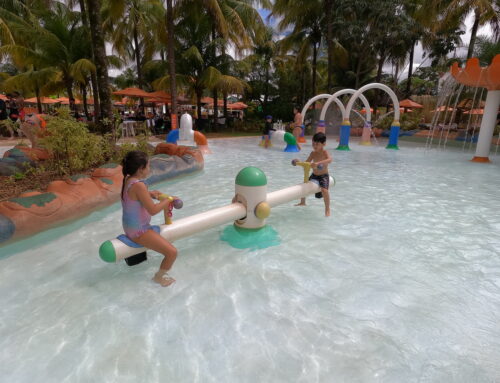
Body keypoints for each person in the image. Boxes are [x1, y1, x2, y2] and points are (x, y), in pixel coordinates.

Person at [121, 151, 178, 286]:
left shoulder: (128, 179)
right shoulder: (139, 185)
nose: (149, 169)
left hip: (129, 227)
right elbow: (152, 210)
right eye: (148, 166)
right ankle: (159, 276)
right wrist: (168, 200)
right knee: (172, 253)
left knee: (170, 250)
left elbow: (134, 197)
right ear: (141, 169)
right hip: (139, 231)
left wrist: (150, 194)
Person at [295, 132, 332, 217]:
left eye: (317, 144)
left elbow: (330, 160)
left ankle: (327, 209)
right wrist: (299, 162)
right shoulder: (313, 153)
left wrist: (318, 163)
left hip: (323, 176)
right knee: (304, 184)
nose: (314, 146)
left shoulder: (325, 152)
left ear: (324, 144)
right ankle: (302, 202)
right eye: (313, 144)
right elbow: (307, 162)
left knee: (325, 190)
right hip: (314, 175)